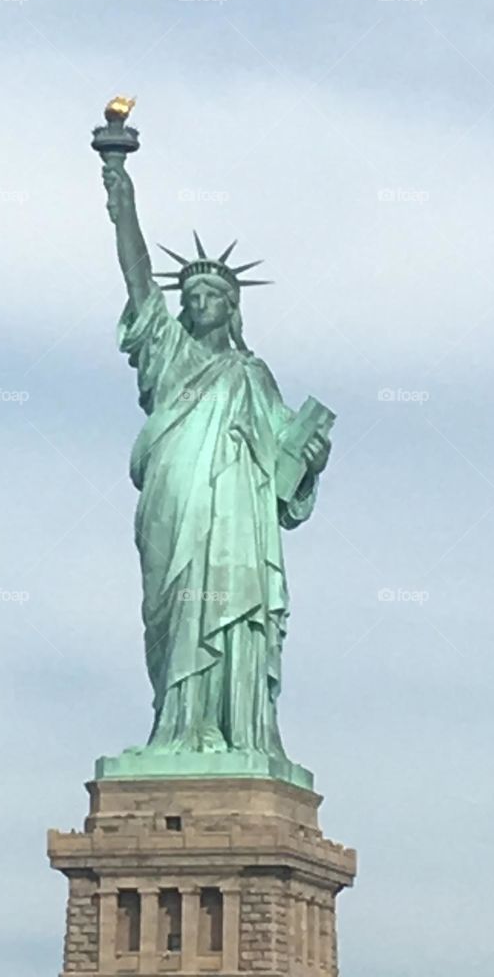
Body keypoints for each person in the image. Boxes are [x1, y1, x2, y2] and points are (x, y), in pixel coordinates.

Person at [102, 159, 331, 758]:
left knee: (232, 606)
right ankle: (177, 726)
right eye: (193, 296)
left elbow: (287, 462)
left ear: (233, 308)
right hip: (175, 497)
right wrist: (122, 198)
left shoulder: (252, 374)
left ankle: (236, 730)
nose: (202, 302)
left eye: (214, 296)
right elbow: (138, 280)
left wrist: (313, 456)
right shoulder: (167, 352)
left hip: (237, 515)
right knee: (175, 605)